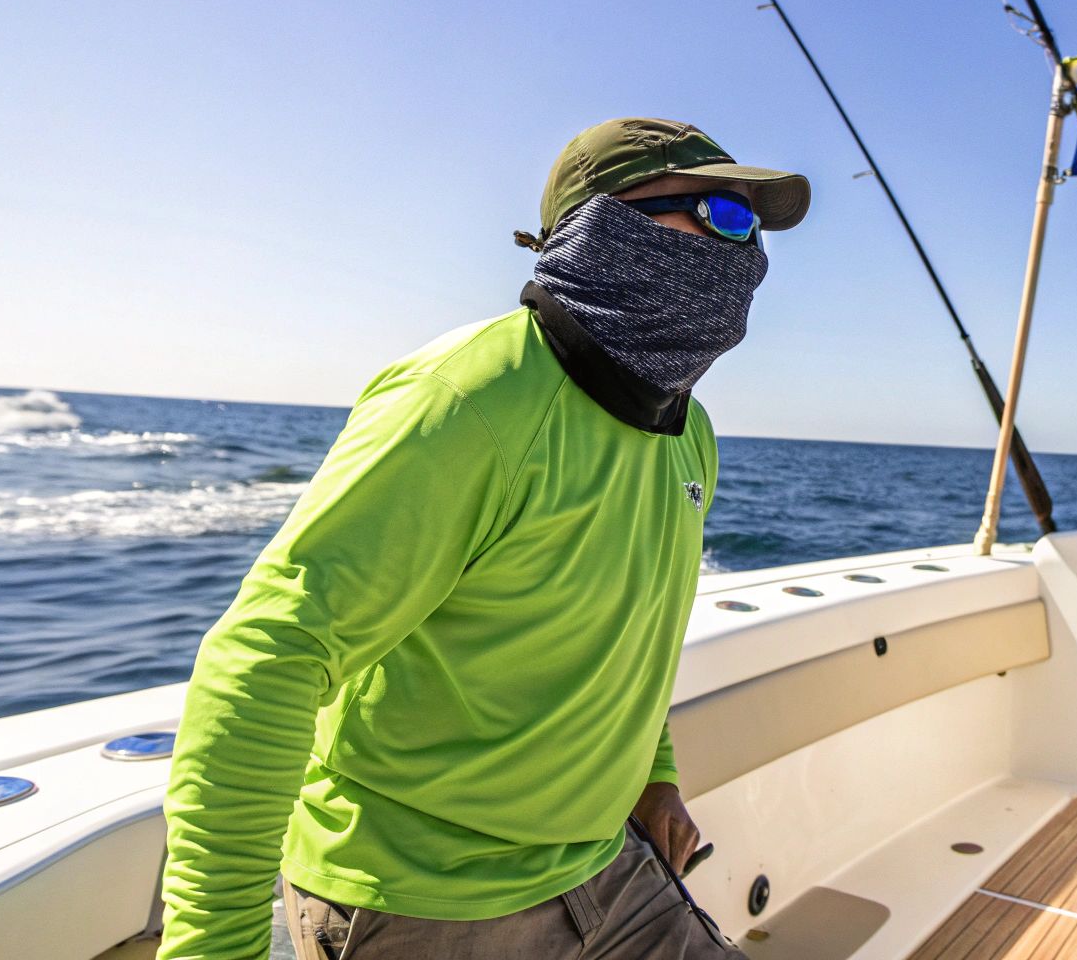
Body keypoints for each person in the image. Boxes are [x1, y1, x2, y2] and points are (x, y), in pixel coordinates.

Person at [156, 117, 811, 960]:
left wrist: (655, 777)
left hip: (607, 864)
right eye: (720, 214)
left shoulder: (689, 434)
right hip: (425, 897)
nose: (744, 249)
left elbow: (628, 633)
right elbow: (266, 657)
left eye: (750, 225)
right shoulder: (465, 400)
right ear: (602, 227)